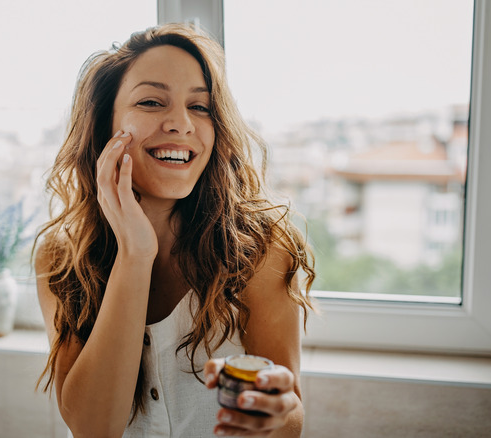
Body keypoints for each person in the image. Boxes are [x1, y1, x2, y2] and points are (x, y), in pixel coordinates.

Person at [34, 23, 316, 438]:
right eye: (151, 101)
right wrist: (134, 254)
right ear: (104, 126)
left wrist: (278, 414)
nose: (181, 124)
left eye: (200, 107)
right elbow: (93, 429)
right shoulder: (61, 257)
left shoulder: (262, 248)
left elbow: (289, 415)